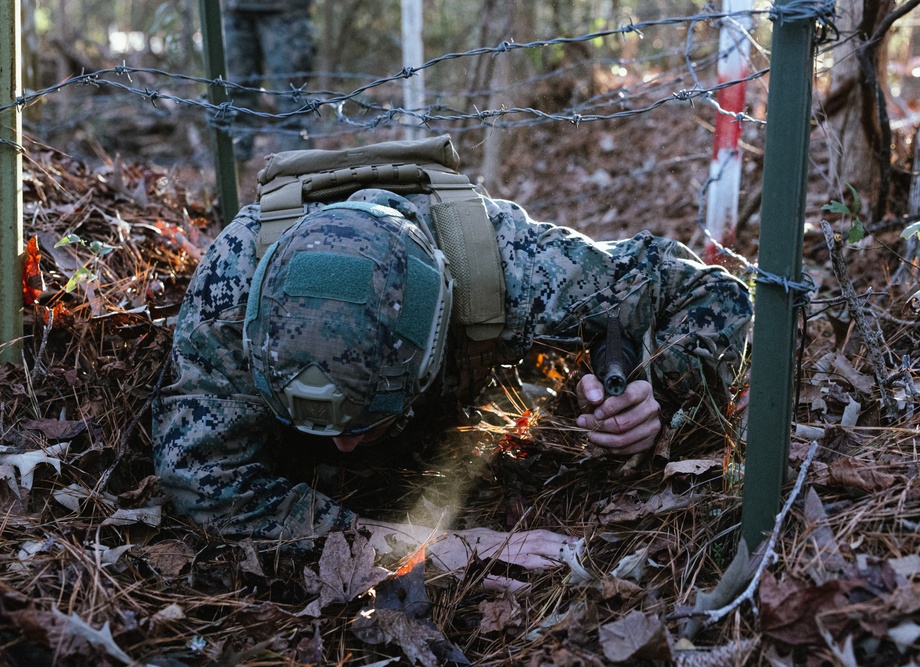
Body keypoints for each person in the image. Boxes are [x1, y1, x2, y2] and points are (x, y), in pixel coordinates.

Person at [153, 136, 752, 592]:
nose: (343, 448)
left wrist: (656, 394)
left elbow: (711, 296)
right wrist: (433, 546)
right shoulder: (230, 294)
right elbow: (199, 479)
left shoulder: (514, 270)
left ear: (434, 345)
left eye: (368, 419)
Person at [222, 0, 315, 156]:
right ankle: (231, 173)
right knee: (233, 99)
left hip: (286, 11)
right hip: (236, 10)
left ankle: (298, 174)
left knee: (292, 100)